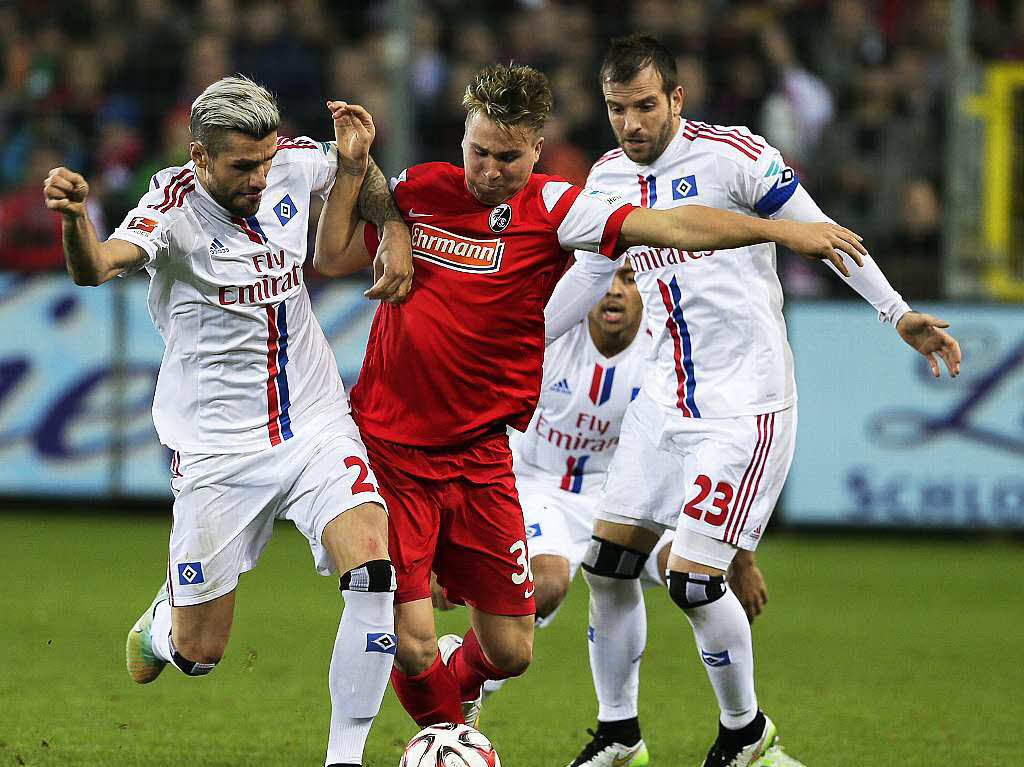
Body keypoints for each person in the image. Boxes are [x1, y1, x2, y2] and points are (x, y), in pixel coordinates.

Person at [315, 61, 867, 734]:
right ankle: (444, 738)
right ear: (463, 136)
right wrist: (372, 195)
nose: (489, 170)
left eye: (508, 157)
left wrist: (780, 229)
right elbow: (337, 252)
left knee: (513, 651)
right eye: (479, 151)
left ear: (537, 150)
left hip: (483, 456)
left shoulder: (555, 209)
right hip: (395, 449)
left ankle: (452, 709)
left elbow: (673, 226)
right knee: (415, 639)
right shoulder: (423, 189)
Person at [544, 35, 963, 767]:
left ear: (676, 99)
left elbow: (824, 235)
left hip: (746, 403)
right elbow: (586, 276)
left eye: (645, 106)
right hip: (663, 399)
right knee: (606, 564)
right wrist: (511, 336)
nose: (631, 124)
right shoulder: (607, 177)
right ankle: (619, 735)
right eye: (617, 109)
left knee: (692, 578)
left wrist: (898, 314)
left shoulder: (732, 156)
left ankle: (745, 735)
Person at [43, 75, 413, 767]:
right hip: (217, 449)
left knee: (372, 565)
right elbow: (97, 268)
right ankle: (164, 626)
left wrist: (391, 222)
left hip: (314, 422)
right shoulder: (171, 207)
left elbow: (362, 178)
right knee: (201, 651)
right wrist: (74, 220)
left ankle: (345, 758)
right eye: (243, 166)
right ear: (199, 157)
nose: (261, 176)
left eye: (266, 160)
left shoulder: (289, 162)